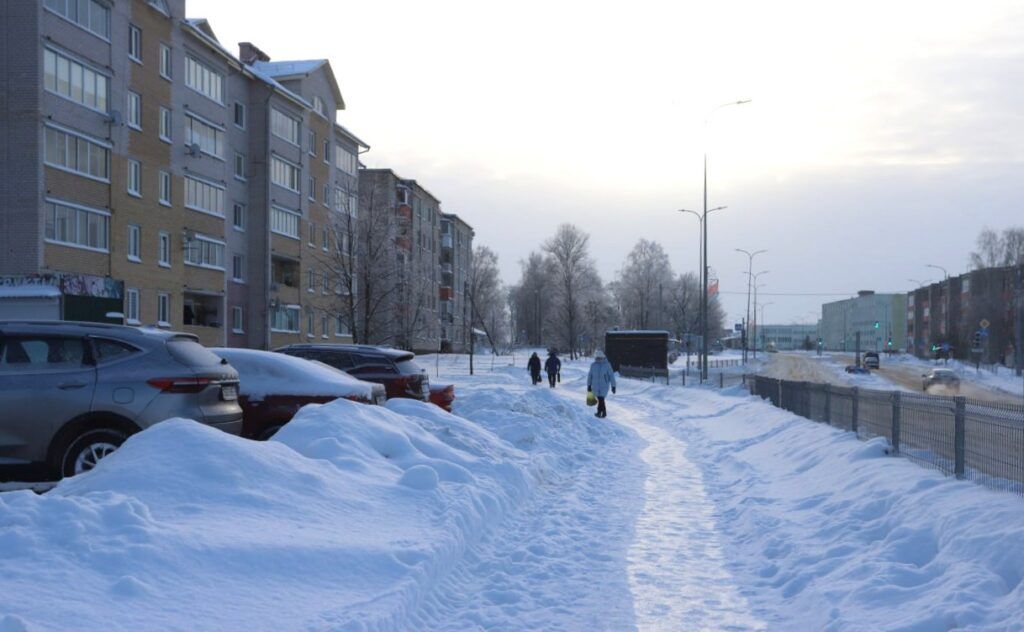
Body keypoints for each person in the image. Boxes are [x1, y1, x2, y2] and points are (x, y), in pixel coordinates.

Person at [587, 350, 616, 418]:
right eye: (597, 358)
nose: (598, 359)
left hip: (604, 385)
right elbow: (590, 375)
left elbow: (611, 376)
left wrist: (613, 386)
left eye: (600, 358)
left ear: (603, 357)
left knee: (601, 399)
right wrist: (589, 385)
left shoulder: (607, 365)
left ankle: (599, 412)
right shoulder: (593, 365)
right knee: (600, 399)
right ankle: (604, 412)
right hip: (595, 385)